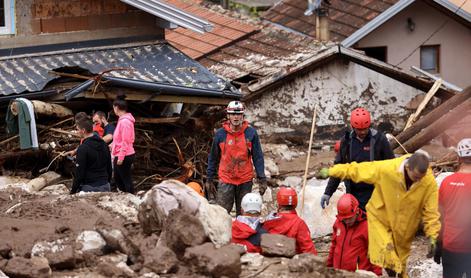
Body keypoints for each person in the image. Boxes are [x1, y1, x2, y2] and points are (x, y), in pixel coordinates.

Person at [319, 151, 440, 277]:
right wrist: (331, 172)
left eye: (421, 178)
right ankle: (390, 267)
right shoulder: (388, 169)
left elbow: (431, 211)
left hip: (405, 225)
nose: (418, 181)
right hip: (380, 219)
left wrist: (433, 236)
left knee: (400, 266)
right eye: (415, 177)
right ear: (407, 167)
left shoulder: (428, 181)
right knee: (387, 255)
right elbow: (357, 170)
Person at [321, 108, 394, 211]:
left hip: (376, 193)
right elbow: (339, 168)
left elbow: (391, 166)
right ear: (353, 127)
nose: (363, 132)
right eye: (359, 129)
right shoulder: (346, 142)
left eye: (365, 128)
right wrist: (328, 192)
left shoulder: (379, 140)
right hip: (354, 194)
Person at [206, 101, 267, 216]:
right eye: (233, 114)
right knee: (222, 214)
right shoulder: (220, 134)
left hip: (245, 179)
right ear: (228, 116)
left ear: (242, 116)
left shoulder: (251, 133)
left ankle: (242, 233)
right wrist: (209, 178)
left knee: (244, 214)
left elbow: (258, 157)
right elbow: (213, 157)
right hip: (226, 179)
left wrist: (262, 178)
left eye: (238, 114)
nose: (236, 117)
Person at [435, 138, 471, 277]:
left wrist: (438, 244)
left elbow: (440, 217)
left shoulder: (446, 182)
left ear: (458, 158)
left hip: (450, 246)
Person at [327, 194, 382, 276]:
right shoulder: (338, 223)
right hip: (338, 274)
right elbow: (334, 246)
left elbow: (376, 253)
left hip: (357, 275)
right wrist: (328, 267)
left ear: (356, 211)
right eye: (344, 219)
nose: (347, 221)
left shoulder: (367, 226)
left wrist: (378, 274)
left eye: (350, 218)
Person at [263, 186, 317, 255]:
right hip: (292, 262)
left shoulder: (269, 220)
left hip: (271, 261)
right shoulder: (299, 223)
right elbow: (309, 250)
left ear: (278, 203)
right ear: (295, 204)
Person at [70, 118, 112, 193]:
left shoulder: (83, 148)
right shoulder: (104, 144)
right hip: (105, 185)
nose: (77, 132)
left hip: (89, 187)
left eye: (78, 129)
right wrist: (107, 182)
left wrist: (73, 191)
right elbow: (109, 167)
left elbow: (79, 174)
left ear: (83, 130)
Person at [111, 96, 135, 194]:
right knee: (118, 178)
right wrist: (112, 145)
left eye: (113, 108)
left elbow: (126, 140)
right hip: (120, 153)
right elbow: (119, 138)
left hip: (125, 155)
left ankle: (131, 198)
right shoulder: (122, 120)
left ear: (116, 107)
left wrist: (121, 157)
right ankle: (124, 196)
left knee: (125, 179)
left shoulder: (125, 122)